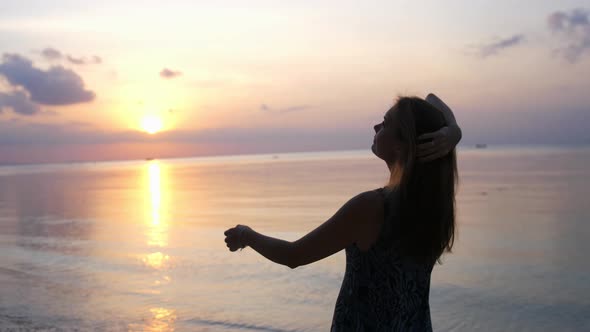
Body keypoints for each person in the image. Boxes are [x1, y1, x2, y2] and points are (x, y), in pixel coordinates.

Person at [224, 93, 461, 331]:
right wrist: (453, 131)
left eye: (386, 123)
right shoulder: (434, 207)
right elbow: (432, 100)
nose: (376, 126)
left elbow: (293, 256)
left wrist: (247, 235)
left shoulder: (370, 207)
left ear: (402, 145)